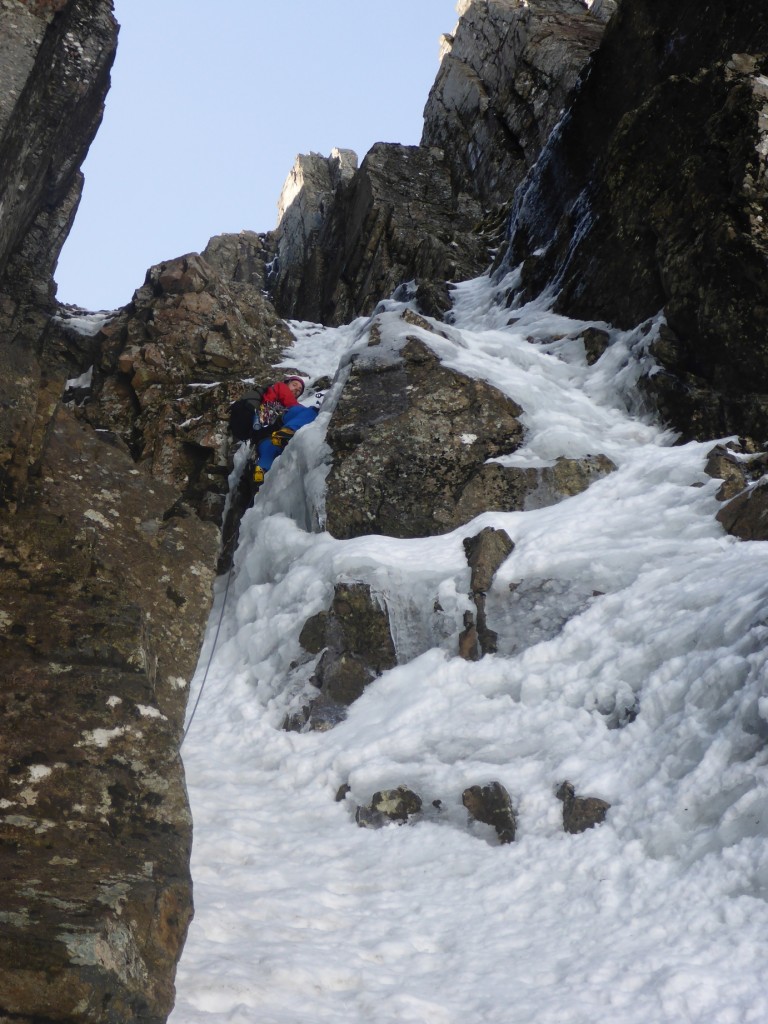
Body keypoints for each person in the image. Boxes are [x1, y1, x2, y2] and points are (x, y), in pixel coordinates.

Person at [251, 375, 318, 490]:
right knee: (311, 412)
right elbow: (291, 404)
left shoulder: (281, 397)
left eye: (299, 390)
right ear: (287, 383)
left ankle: (261, 474)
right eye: (294, 385)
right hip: (274, 418)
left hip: (264, 435)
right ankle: (289, 430)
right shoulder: (280, 387)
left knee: (269, 451)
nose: (296, 390)